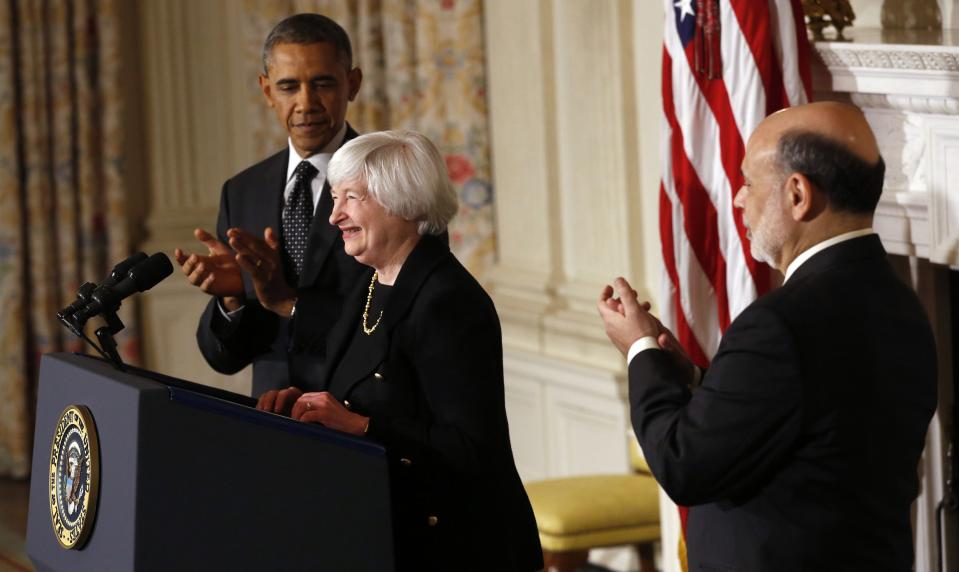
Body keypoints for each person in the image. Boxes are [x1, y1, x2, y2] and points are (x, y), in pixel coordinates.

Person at [598, 102, 937, 571]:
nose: (738, 199)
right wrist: (696, 379)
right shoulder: (904, 304)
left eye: (749, 182)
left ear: (797, 194)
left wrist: (638, 349)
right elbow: (810, 418)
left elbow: (684, 465)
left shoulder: (780, 323)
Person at [282, 130, 543, 571]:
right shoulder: (370, 283)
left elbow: (471, 449)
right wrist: (304, 406)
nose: (333, 216)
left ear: (401, 201)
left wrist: (360, 425)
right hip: (386, 531)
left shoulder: (448, 302)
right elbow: (351, 391)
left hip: (458, 547)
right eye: (334, 197)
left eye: (350, 197)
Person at [174, 13, 366, 399]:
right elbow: (224, 359)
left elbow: (404, 326)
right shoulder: (242, 190)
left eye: (323, 83)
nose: (305, 103)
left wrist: (288, 301)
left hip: (358, 415)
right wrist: (232, 300)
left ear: (352, 84)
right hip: (271, 419)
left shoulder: (393, 184)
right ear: (266, 92)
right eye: (288, 86)